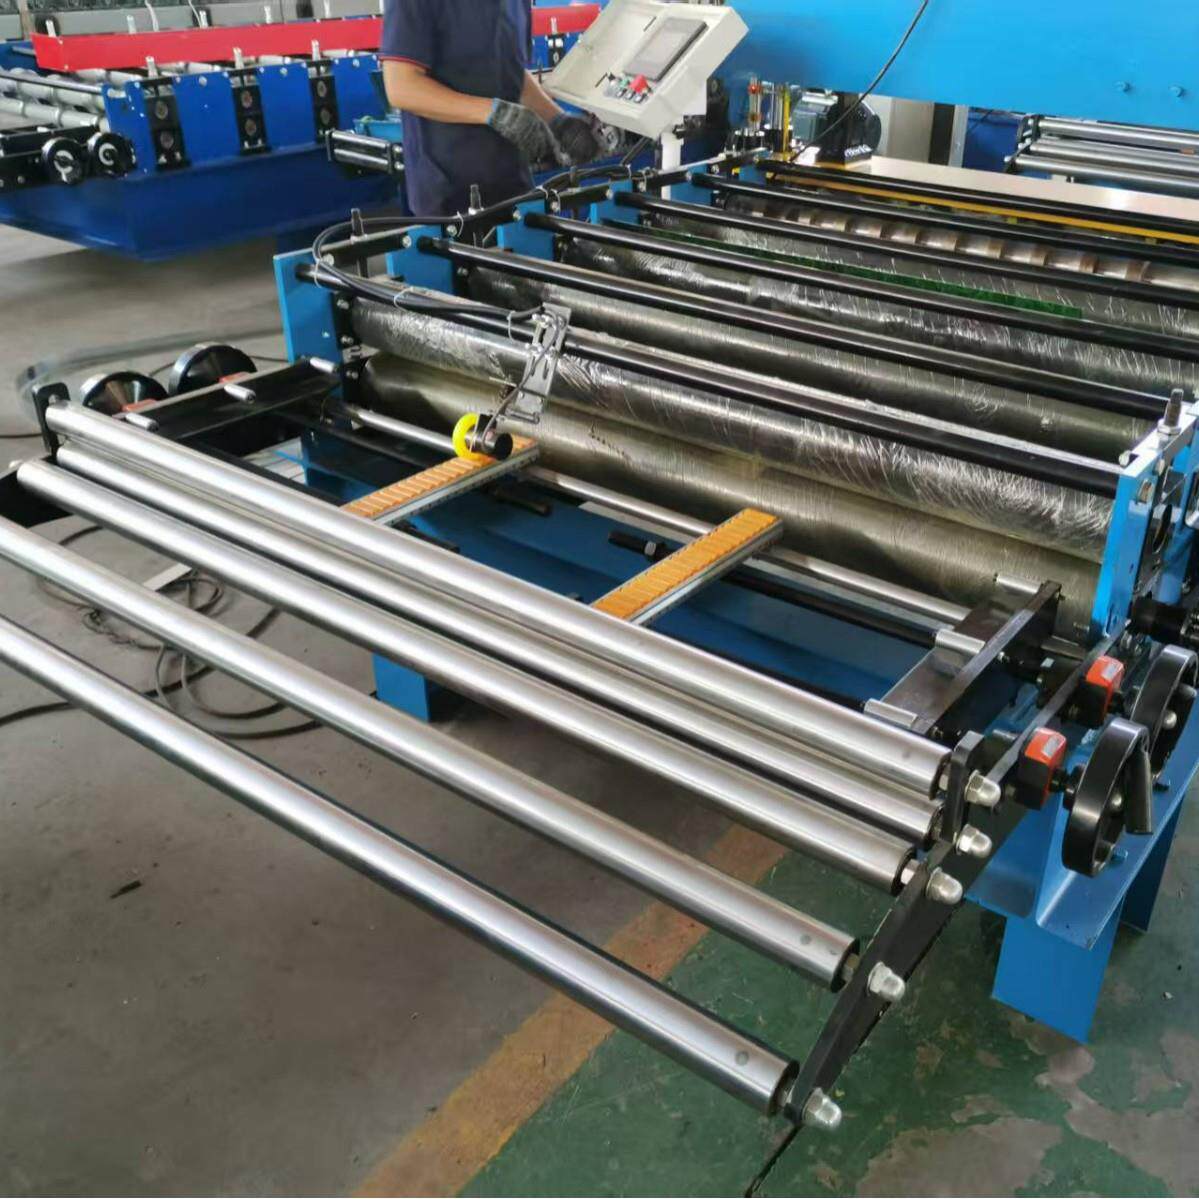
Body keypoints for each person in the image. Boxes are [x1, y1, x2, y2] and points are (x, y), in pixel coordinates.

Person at [380, 0, 604, 215]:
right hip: (449, 191)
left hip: (512, 181)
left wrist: (558, 121)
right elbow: (402, 86)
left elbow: (512, 72)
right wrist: (495, 113)